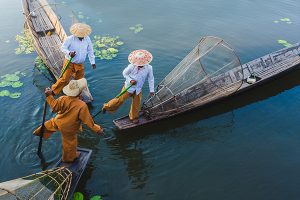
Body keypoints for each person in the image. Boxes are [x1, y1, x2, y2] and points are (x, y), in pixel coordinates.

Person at [33, 78, 103, 162]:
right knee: (70, 143)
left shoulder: (63, 98)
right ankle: (69, 158)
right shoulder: (82, 105)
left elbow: (54, 107)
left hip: (58, 121)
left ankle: (39, 132)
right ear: (80, 92)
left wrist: (49, 96)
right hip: (68, 128)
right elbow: (88, 121)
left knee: (50, 124)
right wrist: (97, 129)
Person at [102, 50, 155, 124]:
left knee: (136, 104)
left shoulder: (149, 68)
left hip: (138, 89)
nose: (140, 65)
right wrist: (130, 80)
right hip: (128, 88)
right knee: (119, 100)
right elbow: (124, 73)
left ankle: (133, 117)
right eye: (139, 64)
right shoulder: (131, 66)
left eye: (142, 64)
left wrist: (151, 90)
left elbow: (151, 78)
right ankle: (106, 106)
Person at [51, 23, 96, 95]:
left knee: (80, 80)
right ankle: (53, 91)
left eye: (83, 36)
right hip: (70, 62)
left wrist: (92, 62)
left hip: (80, 63)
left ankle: (77, 94)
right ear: (76, 34)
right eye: (80, 36)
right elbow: (63, 48)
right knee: (65, 79)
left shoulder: (87, 39)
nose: (82, 37)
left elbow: (90, 50)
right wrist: (69, 53)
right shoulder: (70, 39)